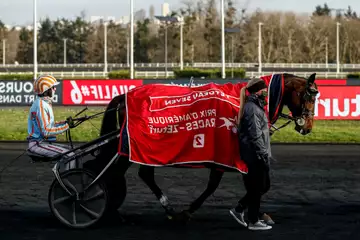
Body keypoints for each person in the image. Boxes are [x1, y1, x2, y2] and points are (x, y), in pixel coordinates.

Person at [229, 77, 273, 231]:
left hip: (255, 152)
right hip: (255, 154)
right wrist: (262, 154)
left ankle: (240, 209)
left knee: (262, 186)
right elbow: (254, 135)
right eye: (265, 90)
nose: (266, 93)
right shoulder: (252, 108)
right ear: (258, 91)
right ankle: (253, 221)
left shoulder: (254, 106)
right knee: (257, 187)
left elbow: (257, 130)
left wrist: (267, 131)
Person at [27, 74, 75, 158]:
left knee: (75, 151)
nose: (55, 89)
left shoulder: (45, 103)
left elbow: (48, 126)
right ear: (46, 90)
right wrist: (67, 126)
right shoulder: (40, 105)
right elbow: (46, 131)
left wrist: (63, 123)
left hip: (42, 142)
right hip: (38, 144)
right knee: (71, 155)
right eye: (53, 87)